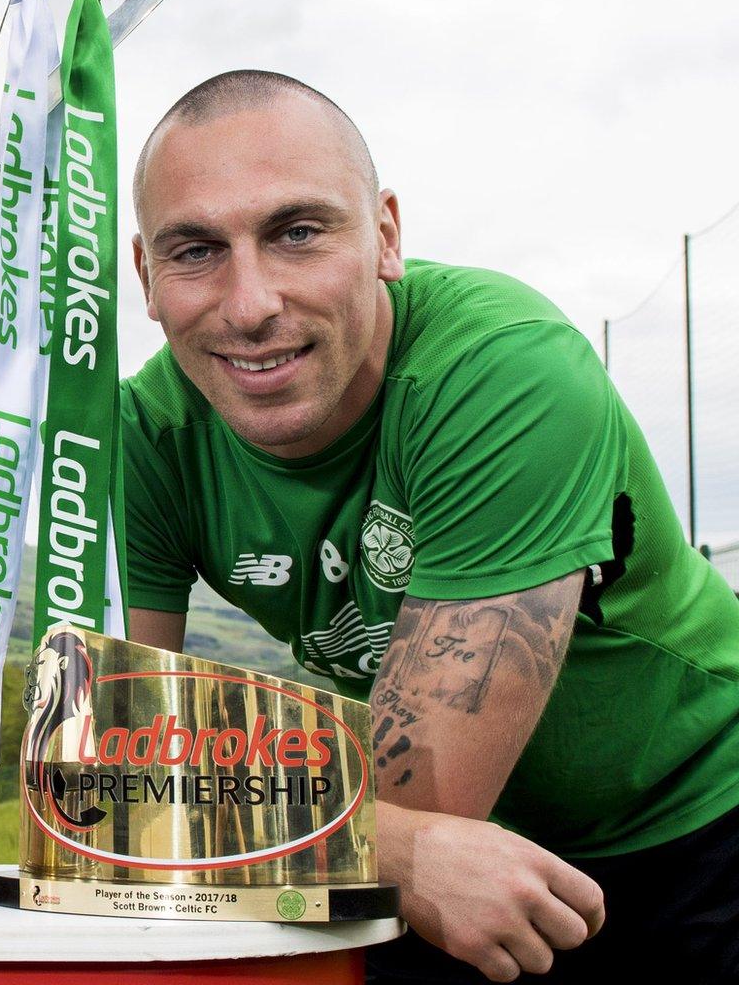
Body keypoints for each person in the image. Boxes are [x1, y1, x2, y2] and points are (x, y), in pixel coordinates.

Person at [119, 70, 739, 983]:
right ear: (146, 275)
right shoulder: (143, 441)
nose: (250, 305)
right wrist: (401, 852)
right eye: (197, 250)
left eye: (298, 233)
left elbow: (424, 803)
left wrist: (397, 848)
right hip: (461, 866)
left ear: (385, 237)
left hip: (694, 826)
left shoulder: (505, 375)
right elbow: (92, 784)